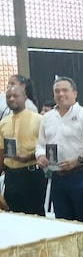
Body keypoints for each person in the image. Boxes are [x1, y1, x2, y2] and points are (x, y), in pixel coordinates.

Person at [35, 76, 83, 223]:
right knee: (63, 224)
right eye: (57, 91)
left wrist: (78, 160)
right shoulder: (47, 118)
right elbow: (40, 144)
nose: (60, 94)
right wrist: (40, 156)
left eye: (65, 90)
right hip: (57, 178)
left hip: (81, 177)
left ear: (75, 93)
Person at [0, 85, 46, 215]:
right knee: (14, 215)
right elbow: (1, 151)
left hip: (31, 173)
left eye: (16, 96)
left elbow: (47, 147)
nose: (12, 98)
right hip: (11, 176)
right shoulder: (3, 122)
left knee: (35, 215)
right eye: (9, 97)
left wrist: (29, 157)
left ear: (25, 98)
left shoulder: (39, 119)